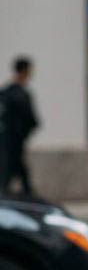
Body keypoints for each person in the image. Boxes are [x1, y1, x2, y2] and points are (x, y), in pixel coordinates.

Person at [0, 56, 40, 196]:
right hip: (15, 140)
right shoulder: (20, 94)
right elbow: (31, 119)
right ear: (25, 71)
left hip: (7, 140)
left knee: (11, 171)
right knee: (11, 173)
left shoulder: (5, 92)